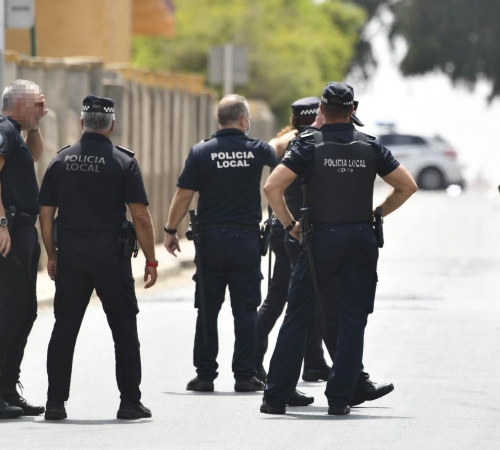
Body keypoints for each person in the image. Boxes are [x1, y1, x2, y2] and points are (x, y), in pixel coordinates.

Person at [261, 82, 418, 416]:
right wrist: (377, 214)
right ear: (352, 110)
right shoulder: (370, 146)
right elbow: (408, 186)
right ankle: (339, 398)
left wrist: (290, 226)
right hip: (361, 239)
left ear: (322, 110)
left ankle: (275, 398)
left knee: (298, 314)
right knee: (352, 319)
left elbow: (272, 186)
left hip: (320, 241)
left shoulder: (308, 145)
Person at [163, 94, 297, 395]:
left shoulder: (201, 152)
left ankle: (206, 376)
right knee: (245, 309)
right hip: (246, 242)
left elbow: (183, 195)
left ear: (219, 120)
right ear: (245, 121)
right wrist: (297, 130)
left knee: (208, 310)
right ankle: (244, 376)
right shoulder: (255, 150)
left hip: (210, 242)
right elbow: (277, 148)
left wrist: (171, 230)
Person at [38, 95, 158, 420]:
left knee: (64, 328)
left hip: (72, 254)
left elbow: (45, 215)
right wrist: (150, 259)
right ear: (112, 125)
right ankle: (130, 402)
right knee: (123, 329)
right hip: (111, 255)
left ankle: (54, 403)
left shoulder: (60, 161)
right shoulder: (123, 162)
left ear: (81, 123)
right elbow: (141, 217)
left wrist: (52, 254)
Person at [256, 98, 330, 383]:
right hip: (293, 228)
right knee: (283, 299)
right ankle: (250, 362)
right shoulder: (311, 144)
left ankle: (313, 363)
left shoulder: (285, 142)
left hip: (284, 227)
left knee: (301, 299)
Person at [0, 80, 48, 419]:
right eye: (38, 105)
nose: (44, 110)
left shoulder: (18, 131)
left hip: (23, 230)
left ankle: (7, 387)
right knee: (11, 311)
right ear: (18, 105)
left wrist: (37, 124)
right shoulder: (3, 129)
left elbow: (34, 156)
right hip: (11, 231)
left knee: (26, 310)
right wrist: (1, 223)